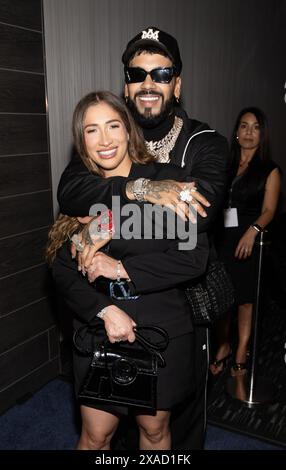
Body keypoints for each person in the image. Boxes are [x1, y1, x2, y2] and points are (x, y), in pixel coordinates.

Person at [57, 27, 230, 449]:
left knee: (169, 430)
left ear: (177, 84)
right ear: (126, 84)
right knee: (99, 433)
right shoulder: (104, 146)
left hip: (176, 306)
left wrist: (108, 223)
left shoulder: (203, 143)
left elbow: (196, 218)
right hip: (101, 318)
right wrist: (135, 193)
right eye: (137, 75)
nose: (148, 83)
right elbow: (70, 193)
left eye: (162, 73)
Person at [210, 107, 281, 377]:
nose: (249, 132)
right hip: (221, 240)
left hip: (248, 242)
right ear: (236, 132)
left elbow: (270, 211)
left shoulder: (270, 170)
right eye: (244, 126)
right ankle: (224, 346)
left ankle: (241, 352)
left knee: (245, 301)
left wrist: (252, 232)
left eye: (255, 127)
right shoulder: (224, 165)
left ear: (262, 134)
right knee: (222, 298)